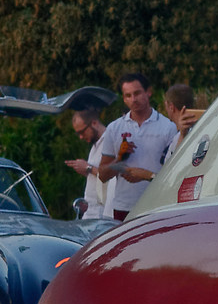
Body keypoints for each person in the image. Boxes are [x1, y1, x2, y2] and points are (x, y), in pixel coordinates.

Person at [95, 71, 179, 221]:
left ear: (148, 92)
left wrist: (146, 175)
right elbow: (102, 175)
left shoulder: (168, 127)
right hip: (124, 207)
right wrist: (119, 158)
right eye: (128, 95)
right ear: (124, 98)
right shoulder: (114, 128)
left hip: (157, 205)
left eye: (137, 93)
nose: (133, 99)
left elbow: (174, 172)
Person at [64, 109, 110, 221]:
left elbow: (112, 177)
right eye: (78, 134)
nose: (81, 137)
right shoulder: (95, 145)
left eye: (82, 132)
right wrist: (85, 171)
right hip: (90, 211)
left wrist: (88, 168)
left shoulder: (110, 142)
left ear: (94, 123)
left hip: (102, 214)